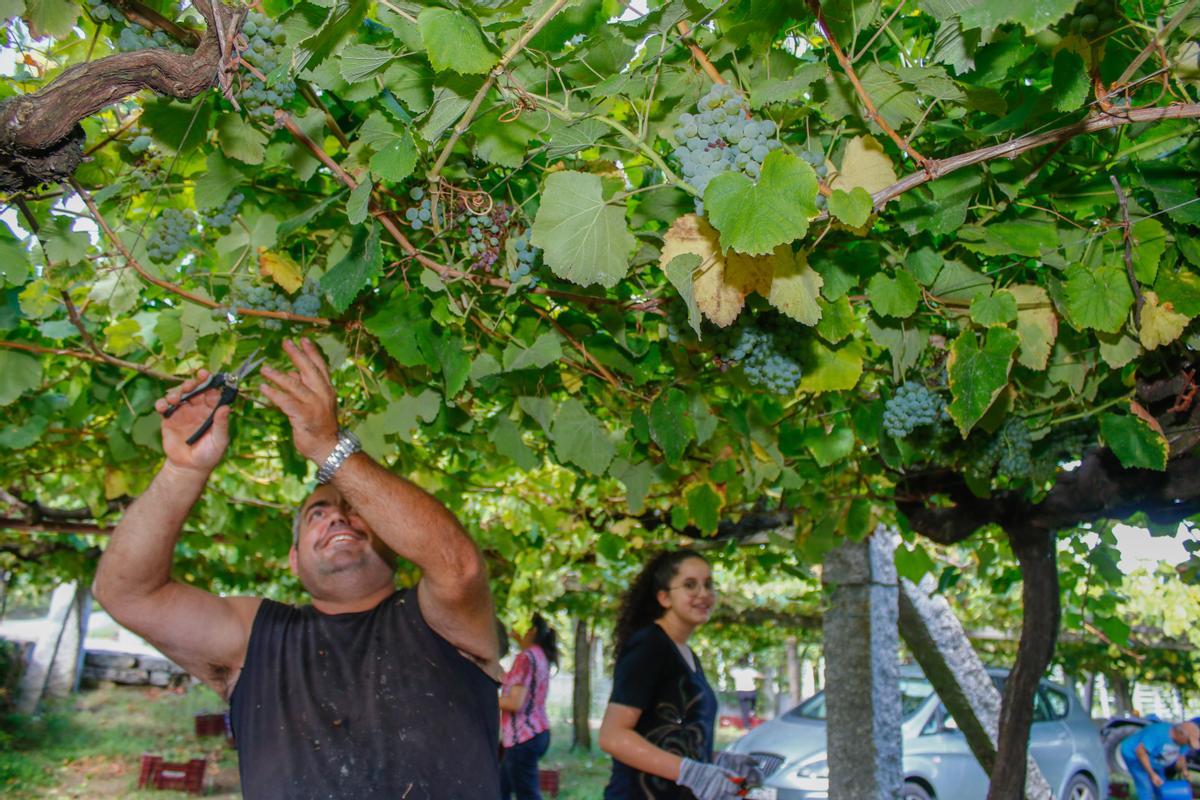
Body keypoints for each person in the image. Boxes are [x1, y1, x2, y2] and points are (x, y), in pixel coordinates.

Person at [93, 339, 502, 800]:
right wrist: (182, 470)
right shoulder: (254, 638)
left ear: (391, 535)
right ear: (293, 559)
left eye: (353, 509)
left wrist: (329, 446)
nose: (337, 517)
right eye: (316, 515)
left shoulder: (437, 620)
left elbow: (459, 567)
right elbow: (126, 594)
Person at [598, 549, 762, 800]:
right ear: (664, 598)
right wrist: (692, 773)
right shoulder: (649, 646)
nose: (703, 594)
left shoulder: (686, 654)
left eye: (708, 585)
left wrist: (718, 762)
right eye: (690, 585)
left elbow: (670, 738)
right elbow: (612, 736)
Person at [499, 614, 557, 799]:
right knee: (500, 788)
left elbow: (515, 703)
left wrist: (481, 698)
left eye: (519, 625)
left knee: (527, 795)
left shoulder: (525, 658)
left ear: (531, 631)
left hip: (522, 738)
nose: (514, 629)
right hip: (537, 733)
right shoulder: (539, 655)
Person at [1121, 720, 1200, 799]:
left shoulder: (1184, 742)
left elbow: (1181, 757)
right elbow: (1140, 752)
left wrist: (1185, 771)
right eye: (1189, 741)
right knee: (1145, 785)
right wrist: (1152, 774)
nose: (1189, 744)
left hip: (1154, 758)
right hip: (1134, 754)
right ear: (1180, 734)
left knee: (1161, 783)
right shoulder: (1158, 733)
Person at [728, 659, 763, 729]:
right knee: (753, 700)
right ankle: (752, 710)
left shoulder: (736, 671)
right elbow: (761, 676)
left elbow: (730, 671)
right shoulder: (750, 670)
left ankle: (746, 726)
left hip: (741, 692)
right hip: (750, 691)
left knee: (744, 710)